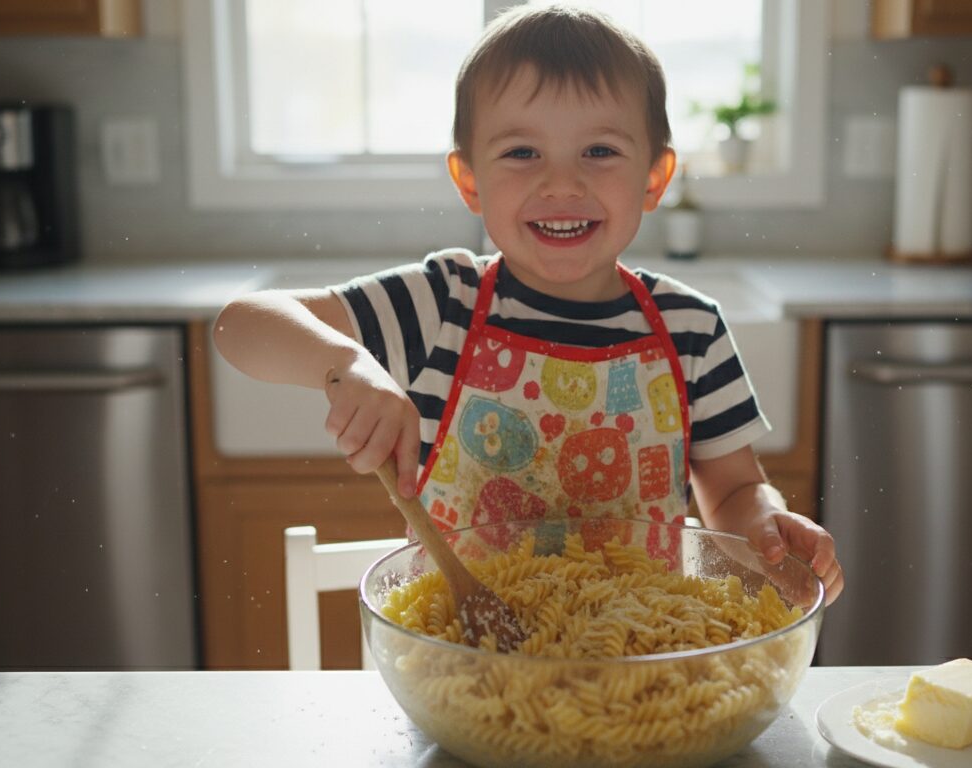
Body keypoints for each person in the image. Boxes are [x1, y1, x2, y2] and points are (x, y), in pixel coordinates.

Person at [214, 4, 843, 605]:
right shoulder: (443, 303)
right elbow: (240, 325)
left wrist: (766, 527)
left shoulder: (691, 328)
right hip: (462, 661)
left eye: (599, 151)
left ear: (654, 178)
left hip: (641, 660)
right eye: (522, 153)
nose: (562, 183)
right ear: (469, 181)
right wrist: (345, 364)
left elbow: (732, 491)